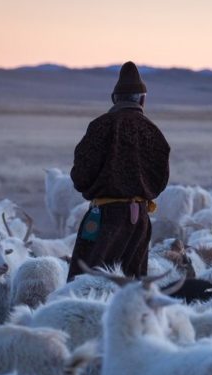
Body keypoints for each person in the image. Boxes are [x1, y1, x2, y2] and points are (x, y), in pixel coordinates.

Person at [67, 61, 170, 281]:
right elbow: (160, 180)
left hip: (104, 217)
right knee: (132, 285)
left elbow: (80, 175)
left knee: (86, 282)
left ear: (114, 99)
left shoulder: (100, 127)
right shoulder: (153, 132)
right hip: (140, 220)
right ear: (143, 99)